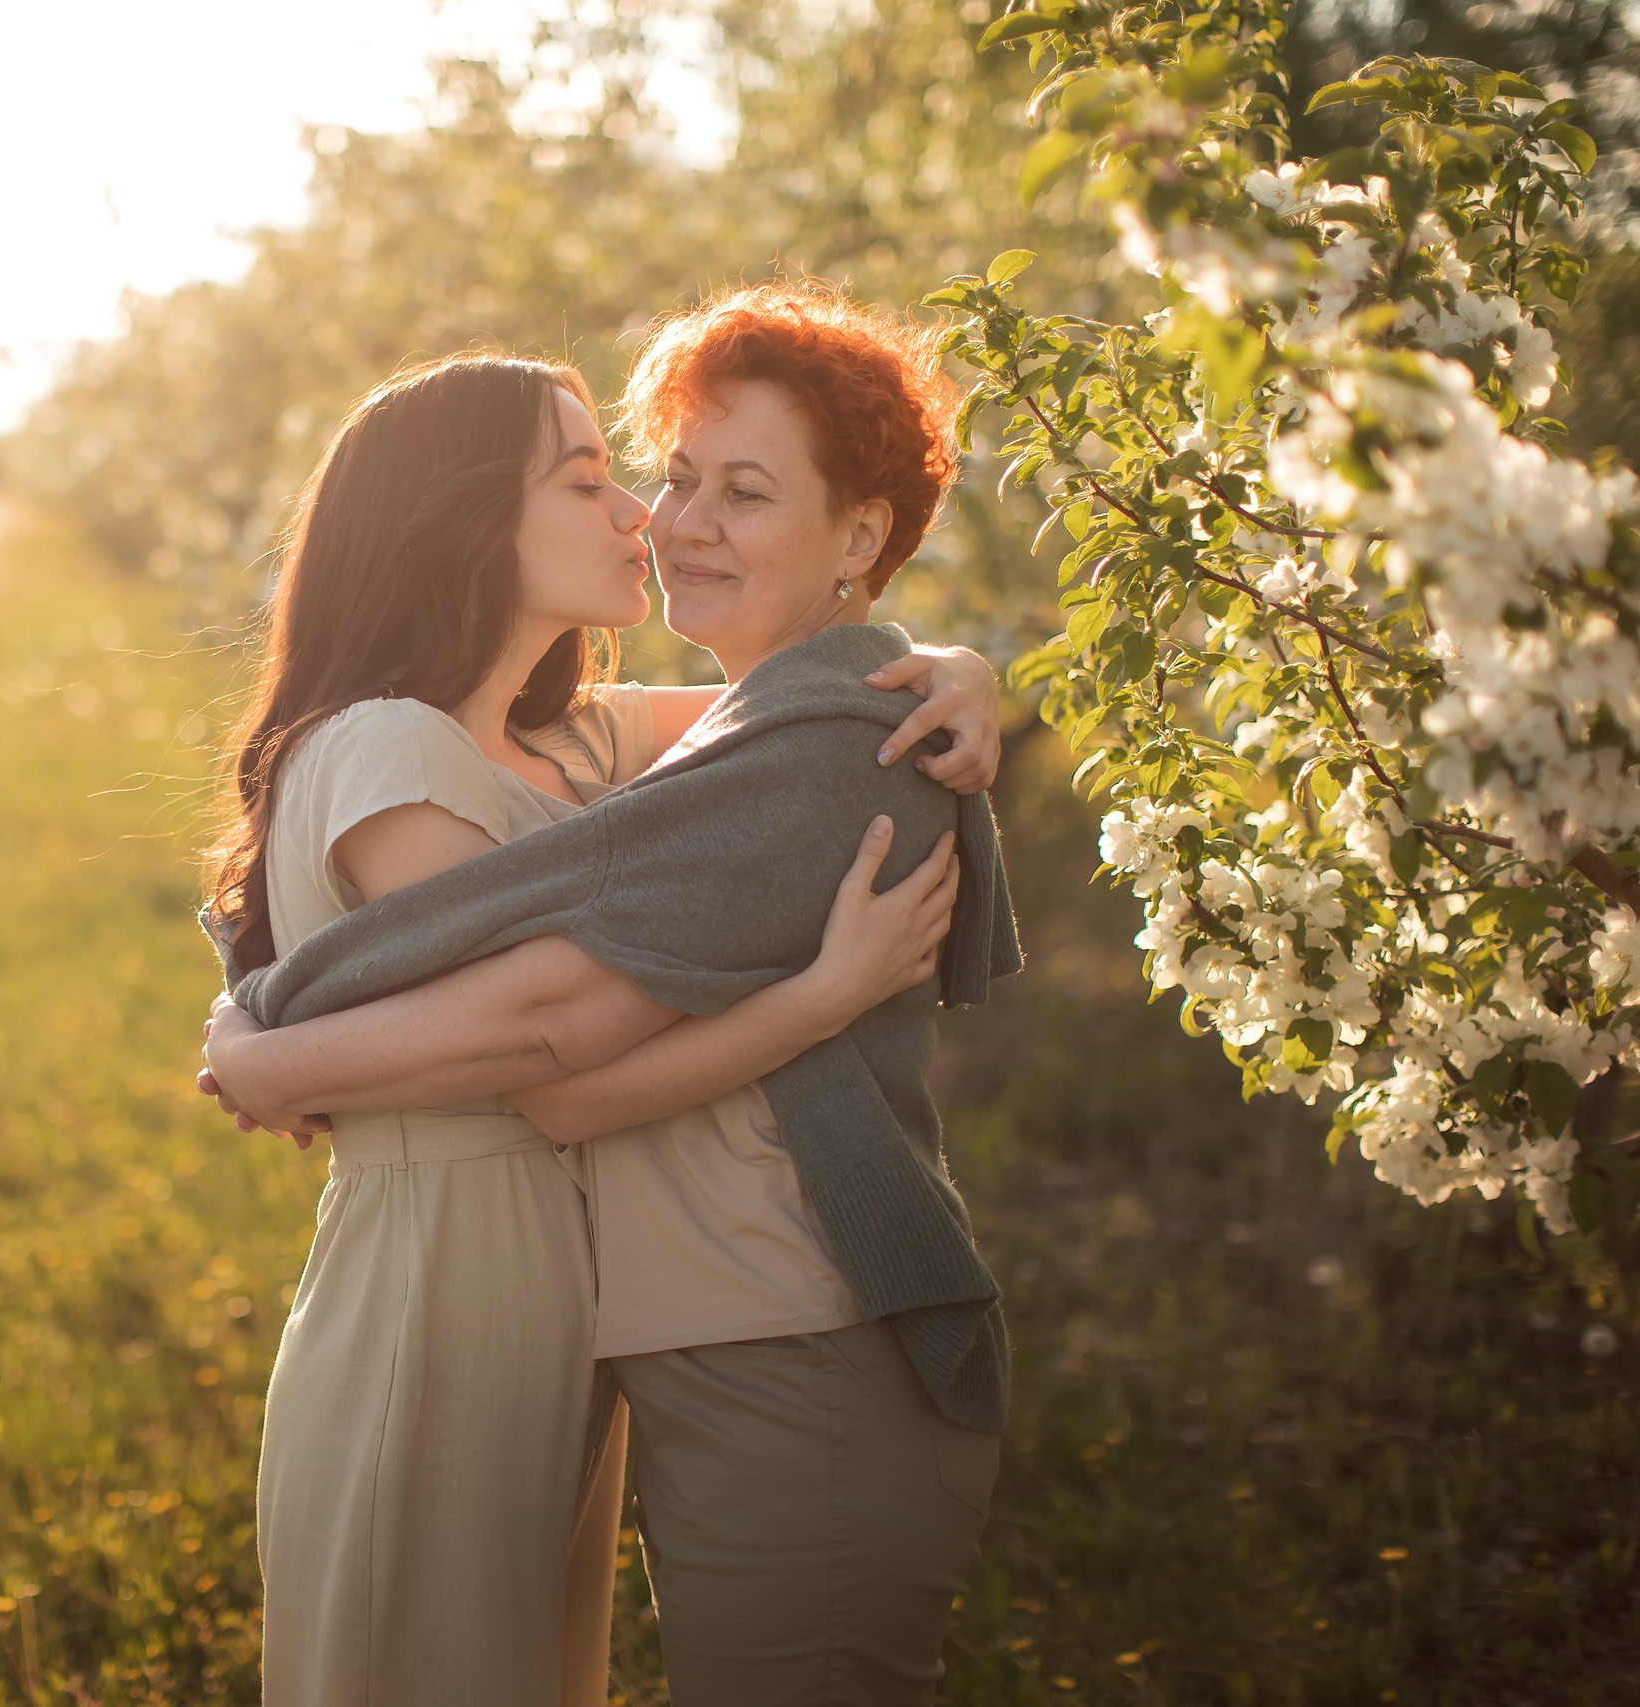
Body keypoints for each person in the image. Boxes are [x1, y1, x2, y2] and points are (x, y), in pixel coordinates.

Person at [205, 282, 1020, 1707]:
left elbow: (547, 1037)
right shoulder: (460, 747)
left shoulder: (608, 754)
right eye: (618, 477)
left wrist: (957, 667)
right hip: (463, 1293)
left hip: (665, 1314)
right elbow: (526, 1034)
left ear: (855, 531)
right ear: (463, 519)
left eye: (731, 489)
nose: (653, 515)